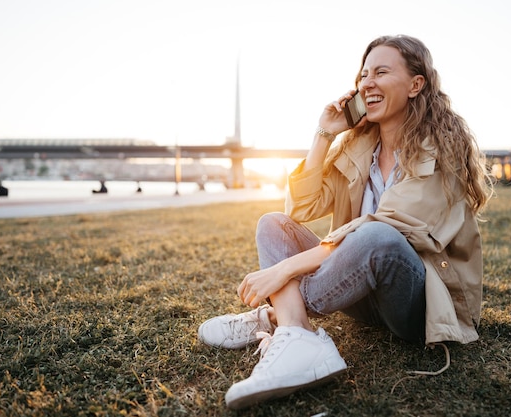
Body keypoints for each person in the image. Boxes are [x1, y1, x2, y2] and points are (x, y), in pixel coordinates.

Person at [198, 34, 493, 410]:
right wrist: (324, 134)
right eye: (363, 74)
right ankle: (296, 332)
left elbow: (383, 229)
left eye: (381, 72)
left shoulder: (442, 147)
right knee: (273, 224)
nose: (366, 82)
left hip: (415, 303)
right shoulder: (358, 148)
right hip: (361, 294)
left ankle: (277, 317)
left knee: (377, 235)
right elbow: (301, 209)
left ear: (416, 84)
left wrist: (282, 273)